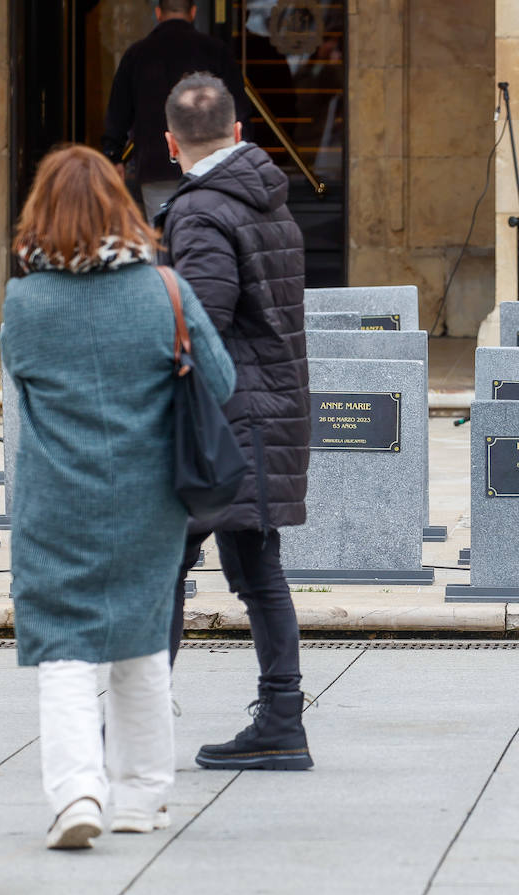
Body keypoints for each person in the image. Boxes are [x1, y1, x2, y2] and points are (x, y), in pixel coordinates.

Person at [1, 145, 235, 848]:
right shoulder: (163, 290)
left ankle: (77, 793)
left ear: (41, 213)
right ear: (121, 208)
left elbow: (21, 376)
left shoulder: (26, 302)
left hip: (55, 502)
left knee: (63, 652)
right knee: (141, 646)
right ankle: (140, 796)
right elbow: (221, 381)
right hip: (149, 499)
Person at [159, 74, 313, 771]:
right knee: (255, 567)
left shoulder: (200, 210)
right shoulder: (267, 197)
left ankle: (135, 722)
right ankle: (281, 720)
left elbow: (201, 323)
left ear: (170, 144)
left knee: (164, 566)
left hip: (224, 422)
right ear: (239, 132)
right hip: (267, 410)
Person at [101, 1, 246, 219]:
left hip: (155, 165)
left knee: (164, 232)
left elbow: (118, 113)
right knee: (209, 229)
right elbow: (238, 109)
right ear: (193, 12)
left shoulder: (137, 54)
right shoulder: (216, 51)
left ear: (158, 13)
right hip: (209, 163)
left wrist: (114, 155)